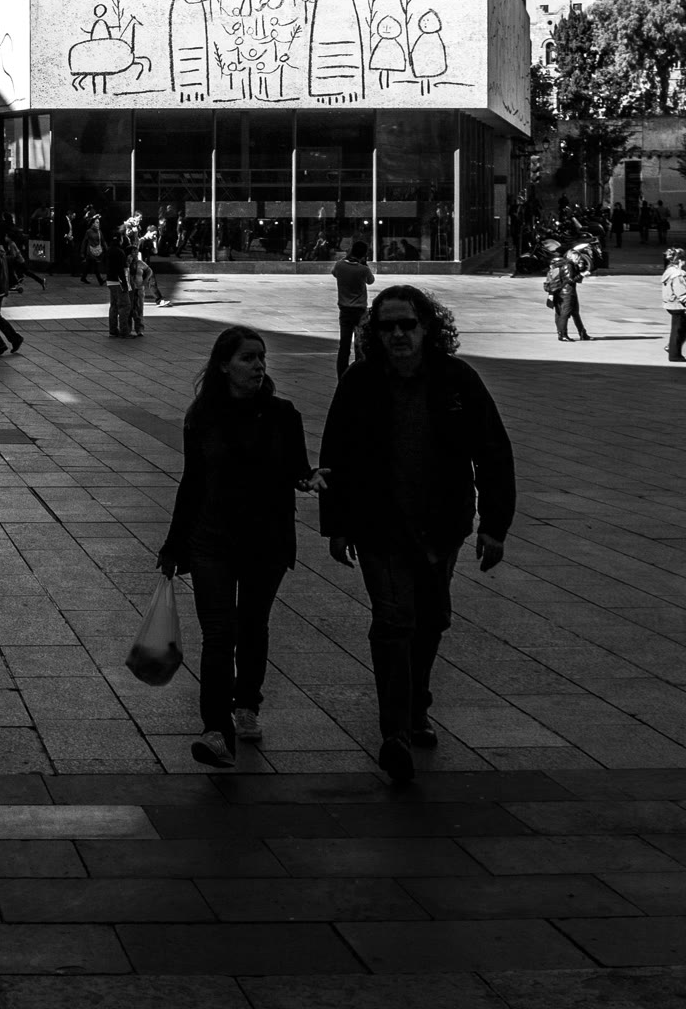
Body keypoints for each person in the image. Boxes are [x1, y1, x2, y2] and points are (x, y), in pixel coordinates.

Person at [320, 285, 516, 784]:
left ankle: (416, 705)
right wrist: (337, 524)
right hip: (379, 524)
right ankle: (395, 734)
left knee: (431, 620)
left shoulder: (456, 379)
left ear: (427, 327)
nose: (398, 334)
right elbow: (336, 452)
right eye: (387, 326)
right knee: (393, 621)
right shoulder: (361, 382)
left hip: (441, 524)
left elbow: (492, 451)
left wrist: (494, 526)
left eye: (407, 324)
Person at [158, 328, 322, 768]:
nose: (258, 366)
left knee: (252, 625)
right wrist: (174, 544)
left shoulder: (282, 414)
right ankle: (216, 730)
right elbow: (193, 482)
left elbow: (297, 468)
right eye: (248, 358)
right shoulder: (202, 416)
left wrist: (310, 478)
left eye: (261, 358)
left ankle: (247, 702)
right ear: (224, 365)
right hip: (212, 540)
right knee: (218, 634)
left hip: (265, 541)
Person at [331, 239, 376, 379]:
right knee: (359, 345)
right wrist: (364, 263)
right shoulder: (363, 269)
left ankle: (342, 376)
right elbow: (371, 281)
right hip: (360, 310)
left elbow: (334, 273)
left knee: (344, 346)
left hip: (345, 310)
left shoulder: (339, 265)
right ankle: (358, 375)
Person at [662, 247, 686, 362]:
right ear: (680, 260)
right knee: (678, 330)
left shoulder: (669, 270)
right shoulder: (678, 274)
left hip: (671, 303)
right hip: (678, 305)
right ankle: (674, 354)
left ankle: (671, 348)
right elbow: (681, 292)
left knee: (679, 329)